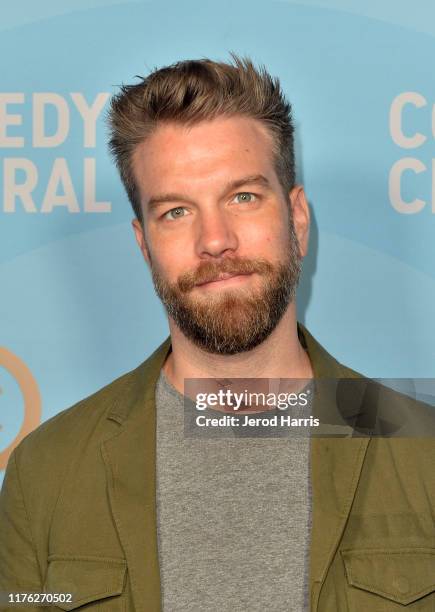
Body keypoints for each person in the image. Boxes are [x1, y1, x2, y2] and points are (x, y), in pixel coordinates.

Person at [0, 56, 434, 612]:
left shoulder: (423, 452)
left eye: (243, 197)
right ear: (143, 243)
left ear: (297, 218)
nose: (215, 240)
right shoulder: (48, 472)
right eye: (177, 211)